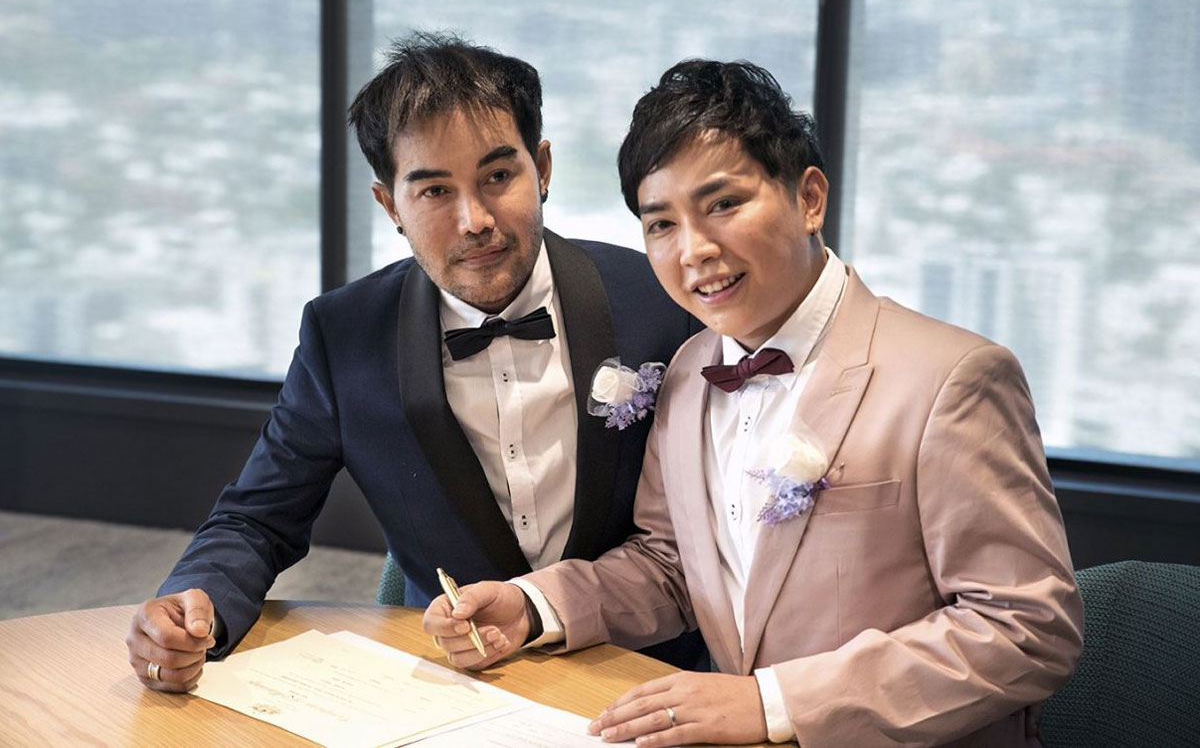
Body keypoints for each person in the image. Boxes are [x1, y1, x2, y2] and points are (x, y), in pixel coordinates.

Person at [424, 59, 1084, 747]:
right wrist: (532, 606)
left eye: (723, 205)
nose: (694, 250)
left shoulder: (952, 379)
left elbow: (1026, 628)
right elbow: (672, 567)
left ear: (810, 199)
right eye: (661, 224)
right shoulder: (690, 370)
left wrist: (774, 703)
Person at [123, 34, 706, 693]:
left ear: (542, 168)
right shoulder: (345, 337)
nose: (474, 220)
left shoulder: (661, 301)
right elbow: (257, 518)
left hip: (648, 670)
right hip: (450, 679)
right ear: (390, 204)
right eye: (433, 191)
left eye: (498, 177)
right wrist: (194, 605)